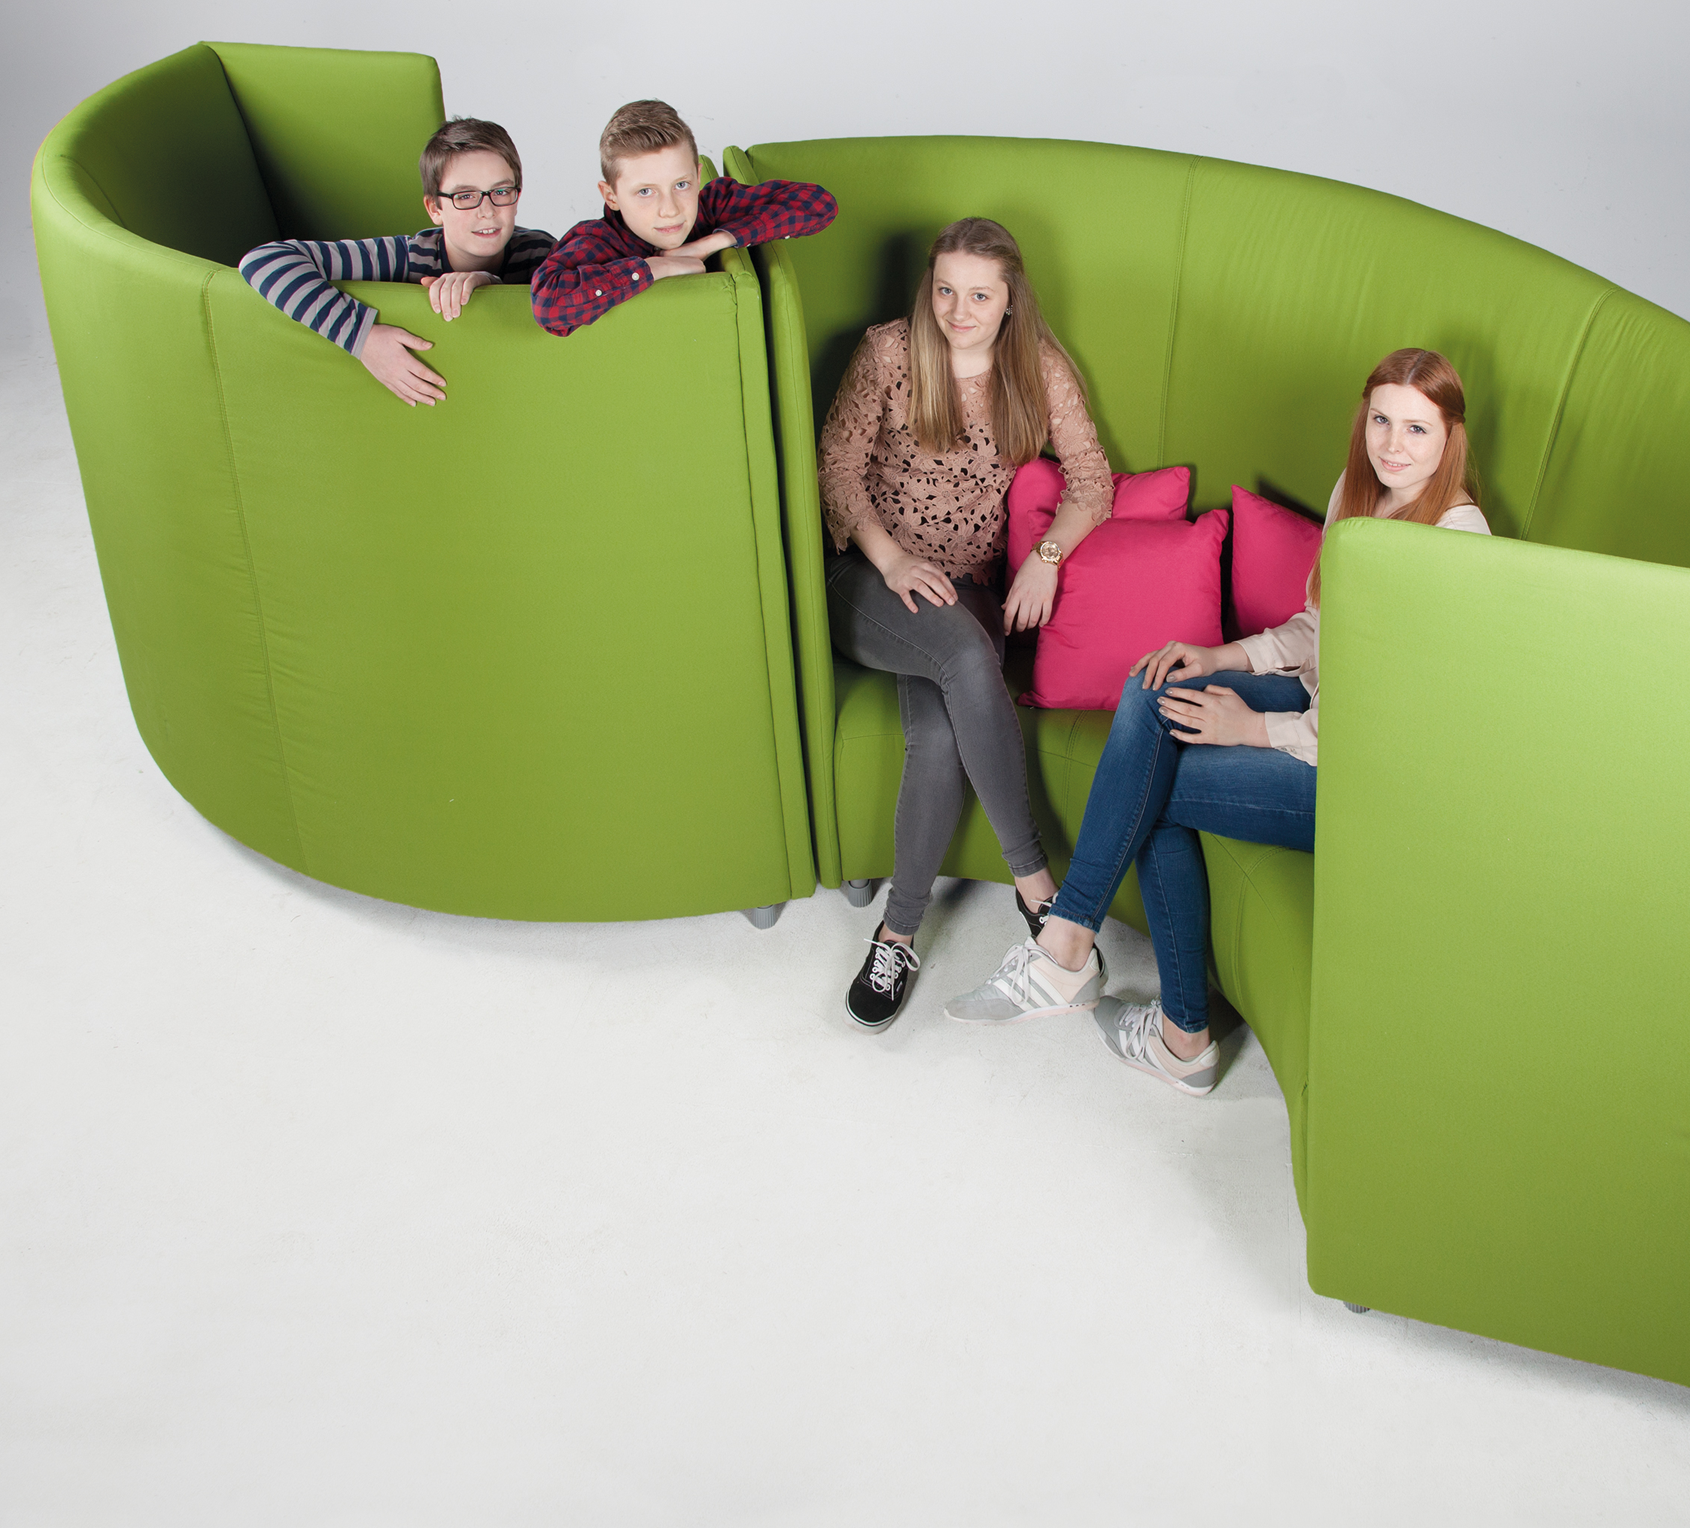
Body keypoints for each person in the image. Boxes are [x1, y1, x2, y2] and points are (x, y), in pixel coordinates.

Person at [947, 347, 1491, 1093]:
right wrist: (1219, 656)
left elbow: (1407, 721)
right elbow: (1320, 628)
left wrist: (1254, 730)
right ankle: (1073, 950)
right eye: (1381, 421)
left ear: (1451, 436)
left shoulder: (1458, 545)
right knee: (1155, 686)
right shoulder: (1363, 491)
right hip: (1323, 710)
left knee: (1150, 793)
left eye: (1417, 430)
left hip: (1373, 780)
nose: (1393, 445)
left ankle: (1164, 1026)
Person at [819, 217, 1115, 1033]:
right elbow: (835, 470)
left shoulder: (1039, 367)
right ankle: (1039, 890)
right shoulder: (889, 352)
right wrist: (890, 562)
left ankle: (896, 934)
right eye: (945, 290)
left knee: (940, 730)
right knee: (963, 655)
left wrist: (1046, 556)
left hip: (970, 587)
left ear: (1011, 299)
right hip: (871, 577)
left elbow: (1092, 480)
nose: (958, 310)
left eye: (980, 295)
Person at [239, 118, 553, 407]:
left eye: (501, 191)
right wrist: (363, 339)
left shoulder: (541, 253)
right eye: (465, 196)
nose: (487, 210)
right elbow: (263, 261)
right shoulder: (407, 256)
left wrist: (489, 287)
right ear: (435, 208)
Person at [529, 101, 836, 336]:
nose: (670, 209)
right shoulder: (595, 241)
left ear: (698, 177)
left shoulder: (711, 207)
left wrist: (711, 243)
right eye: (646, 191)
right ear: (611, 196)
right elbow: (547, 304)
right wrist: (655, 267)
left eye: (681, 185)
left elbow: (818, 204)